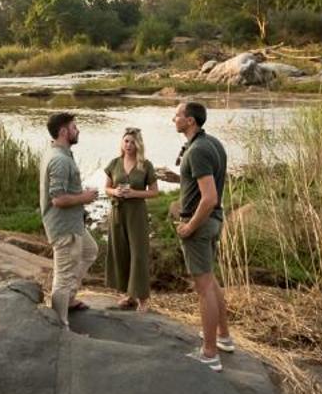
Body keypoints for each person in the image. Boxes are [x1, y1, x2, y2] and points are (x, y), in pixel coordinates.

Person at [159, 100, 235, 370]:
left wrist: (190, 226)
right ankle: (223, 338)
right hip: (213, 223)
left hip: (201, 225)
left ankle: (209, 353)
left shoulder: (198, 151)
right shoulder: (212, 143)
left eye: (177, 114)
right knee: (211, 282)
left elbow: (210, 197)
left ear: (190, 121)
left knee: (203, 289)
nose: (174, 119)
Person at [38, 110, 99, 329]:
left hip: (74, 223)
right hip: (64, 228)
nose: (78, 130)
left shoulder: (59, 152)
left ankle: (70, 299)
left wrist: (81, 194)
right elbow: (58, 199)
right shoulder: (59, 160)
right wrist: (85, 197)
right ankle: (60, 326)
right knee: (62, 277)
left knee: (90, 251)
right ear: (64, 131)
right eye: (74, 127)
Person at [102, 126, 158, 310]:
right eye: (126, 141)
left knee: (138, 253)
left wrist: (135, 193)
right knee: (121, 251)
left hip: (137, 213)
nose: (128, 145)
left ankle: (142, 299)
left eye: (133, 142)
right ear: (122, 142)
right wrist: (114, 191)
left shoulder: (145, 165)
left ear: (138, 144)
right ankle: (129, 296)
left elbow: (155, 192)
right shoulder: (114, 163)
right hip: (117, 212)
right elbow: (106, 188)